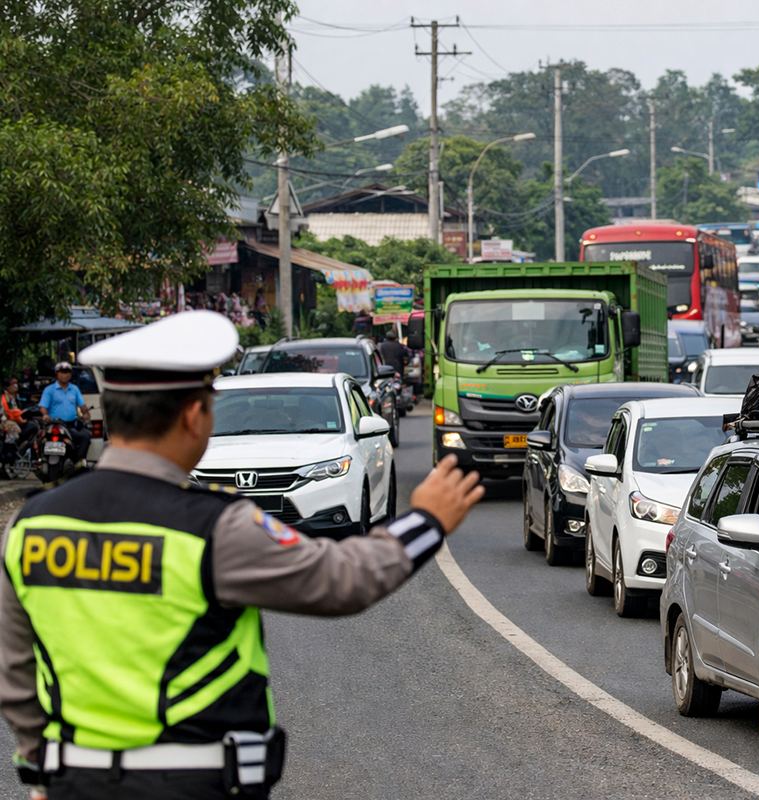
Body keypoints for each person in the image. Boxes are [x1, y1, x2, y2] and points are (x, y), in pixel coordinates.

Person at [0, 311, 485, 800]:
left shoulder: (32, 524)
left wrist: (42, 770)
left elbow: (14, 669)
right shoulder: (213, 525)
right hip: (193, 785)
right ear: (194, 416)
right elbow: (343, 580)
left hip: (72, 785)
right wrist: (426, 522)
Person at [37, 364, 91, 463]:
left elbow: (82, 405)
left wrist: (86, 414)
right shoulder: (49, 389)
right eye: (62, 372)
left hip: (70, 426)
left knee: (86, 435)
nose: (64, 375)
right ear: (57, 374)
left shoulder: (74, 389)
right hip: (54, 425)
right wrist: (45, 415)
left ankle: (79, 462)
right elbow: (43, 406)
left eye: (67, 372)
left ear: (70, 374)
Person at [2, 378, 39, 445]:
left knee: (34, 425)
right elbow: (10, 413)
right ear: (7, 387)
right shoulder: (4, 398)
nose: (15, 386)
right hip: (7, 422)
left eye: (16, 383)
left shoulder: (16, 397)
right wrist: (21, 419)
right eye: (13, 384)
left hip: (16, 421)